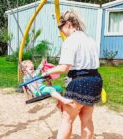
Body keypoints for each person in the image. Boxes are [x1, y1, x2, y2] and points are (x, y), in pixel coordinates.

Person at [42, 9, 103, 139]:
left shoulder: (70, 41)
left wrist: (47, 72)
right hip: (95, 80)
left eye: (61, 28)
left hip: (80, 82)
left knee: (67, 118)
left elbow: (64, 67)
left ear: (68, 24)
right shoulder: (90, 40)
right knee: (87, 119)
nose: (62, 32)